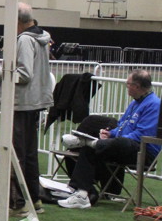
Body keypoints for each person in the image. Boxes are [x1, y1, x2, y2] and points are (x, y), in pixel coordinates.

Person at [59, 70, 160, 209]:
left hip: (143, 153)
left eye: (128, 84)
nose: (126, 87)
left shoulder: (154, 105)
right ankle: (82, 194)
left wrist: (113, 139)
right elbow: (122, 126)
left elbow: (141, 135)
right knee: (89, 148)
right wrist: (110, 134)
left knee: (121, 142)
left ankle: (92, 142)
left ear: (136, 86)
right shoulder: (135, 103)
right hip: (124, 146)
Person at [0, 3, 54, 214]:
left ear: (17, 21)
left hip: (21, 103)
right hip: (34, 102)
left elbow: (24, 74)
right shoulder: (42, 38)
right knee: (29, 154)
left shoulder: (24, 40)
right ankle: (34, 200)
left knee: (16, 154)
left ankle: (18, 202)